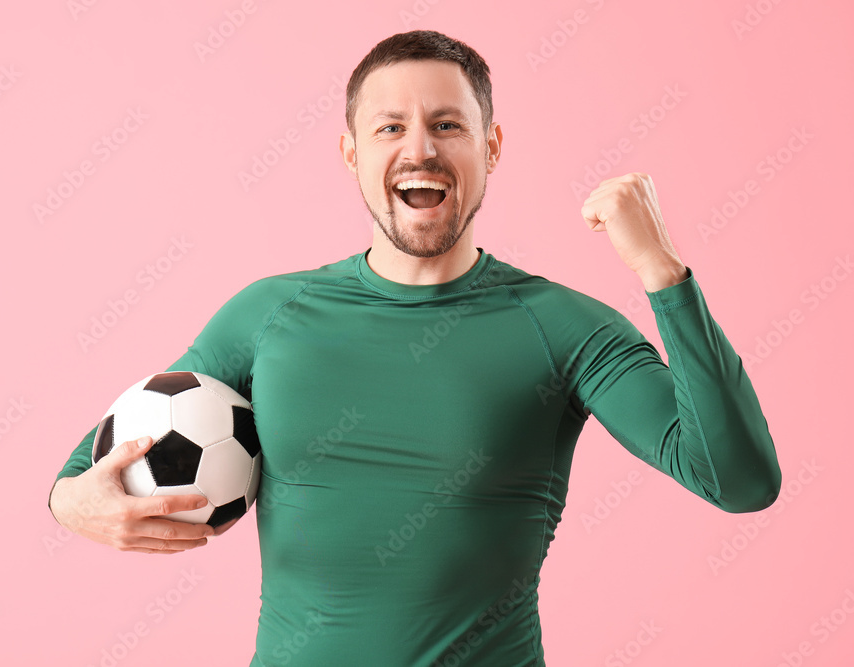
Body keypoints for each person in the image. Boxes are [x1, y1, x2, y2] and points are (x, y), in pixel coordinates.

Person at [48, 30, 781, 667]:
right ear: (351, 152)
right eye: (389, 127)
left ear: (491, 146)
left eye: (448, 125)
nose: (419, 147)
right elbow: (93, 465)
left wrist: (662, 272)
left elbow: (741, 480)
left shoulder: (562, 326)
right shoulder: (269, 313)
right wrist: (70, 503)